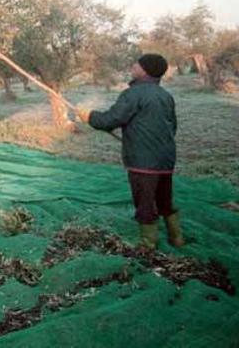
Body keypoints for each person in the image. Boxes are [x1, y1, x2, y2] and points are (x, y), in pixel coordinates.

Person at [78, 53, 184, 250]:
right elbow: (173, 128)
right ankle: (177, 239)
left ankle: (147, 245)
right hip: (166, 159)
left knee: (144, 204)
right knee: (164, 201)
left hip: (144, 163)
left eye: (136, 64)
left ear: (144, 69)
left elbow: (110, 120)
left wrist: (89, 116)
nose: (132, 66)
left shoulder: (133, 94)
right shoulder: (166, 96)